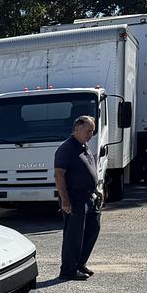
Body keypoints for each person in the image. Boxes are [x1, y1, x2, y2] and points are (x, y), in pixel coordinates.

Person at [54, 115, 102, 281]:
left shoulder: (84, 146)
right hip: (74, 197)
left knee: (92, 230)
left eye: (93, 131)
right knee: (73, 236)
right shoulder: (66, 148)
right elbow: (59, 175)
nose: (91, 134)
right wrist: (65, 200)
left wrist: (97, 189)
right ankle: (68, 270)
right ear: (76, 129)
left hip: (89, 196)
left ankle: (79, 263)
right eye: (88, 130)